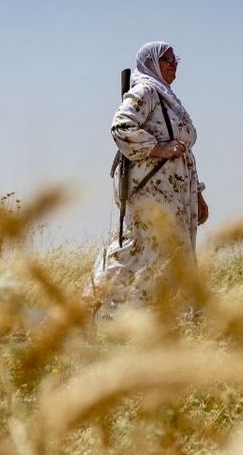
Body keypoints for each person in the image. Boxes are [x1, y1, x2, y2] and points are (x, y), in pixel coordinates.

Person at [88, 41, 208, 314]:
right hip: (151, 189)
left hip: (175, 193)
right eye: (166, 59)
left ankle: (158, 317)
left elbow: (185, 151)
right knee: (140, 246)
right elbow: (121, 127)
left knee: (164, 252)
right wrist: (158, 148)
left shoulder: (168, 99)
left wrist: (197, 193)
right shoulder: (145, 91)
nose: (173, 64)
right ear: (151, 63)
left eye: (175, 59)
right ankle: (94, 302)